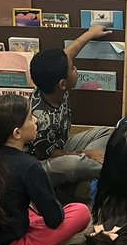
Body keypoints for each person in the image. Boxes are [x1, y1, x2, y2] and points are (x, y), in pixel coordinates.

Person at [0, 93, 90, 245]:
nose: (36, 120)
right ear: (17, 133)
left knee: (27, 208)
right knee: (81, 212)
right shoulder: (30, 166)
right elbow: (54, 219)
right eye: (30, 117)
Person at [28, 25, 113, 193]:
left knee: (106, 132)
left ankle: (85, 176)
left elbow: (69, 53)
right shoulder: (42, 120)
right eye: (72, 68)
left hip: (61, 145)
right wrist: (86, 153)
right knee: (74, 165)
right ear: (62, 84)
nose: (75, 69)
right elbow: (50, 154)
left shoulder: (51, 84)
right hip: (41, 164)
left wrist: (90, 34)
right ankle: (115, 170)